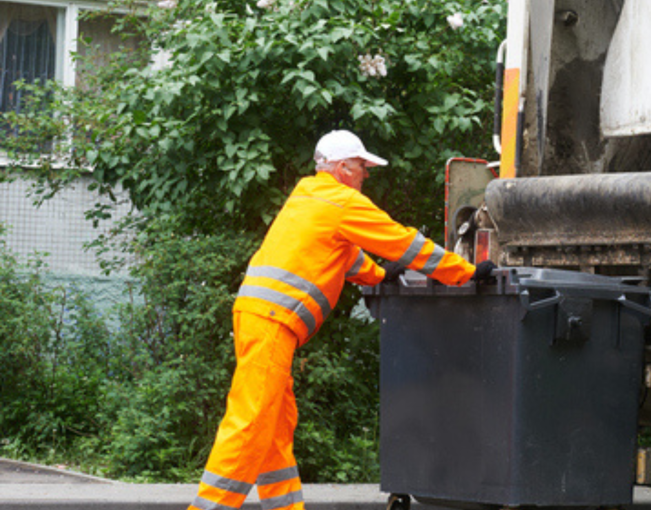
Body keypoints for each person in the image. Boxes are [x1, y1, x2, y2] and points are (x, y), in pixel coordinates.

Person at [187, 130, 495, 510]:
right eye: (362, 166)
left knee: (274, 429)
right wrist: (464, 272)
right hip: (271, 322)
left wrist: (381, 276)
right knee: (250, 423)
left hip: (258, 317)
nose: (366, 174)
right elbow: (404, 243)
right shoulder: (341, 202)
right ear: (343, 167)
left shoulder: (308, 197)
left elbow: (343, 256)